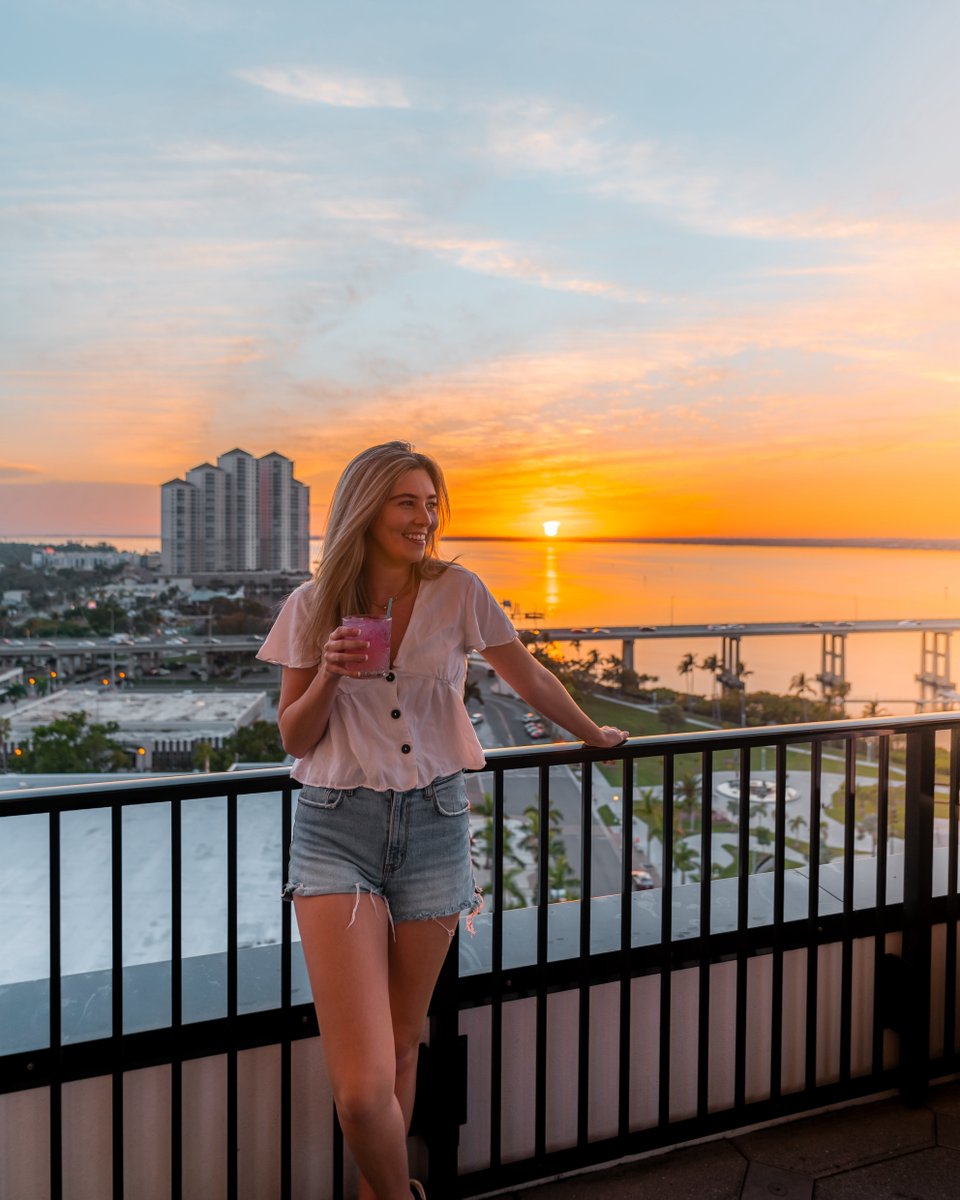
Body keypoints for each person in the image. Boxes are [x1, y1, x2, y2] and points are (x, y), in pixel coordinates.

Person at [257, 441, 627, 1200]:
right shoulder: (311, 604)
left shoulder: (458, 591)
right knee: (361, 1088)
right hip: (335, 828)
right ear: (366, 507)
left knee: (402, 1042)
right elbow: (295, 738)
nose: (424, 517)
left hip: (435, 824)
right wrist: (328, 669)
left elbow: (525, 673)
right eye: (406, 501)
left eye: (431, 502)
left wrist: (591, 734)